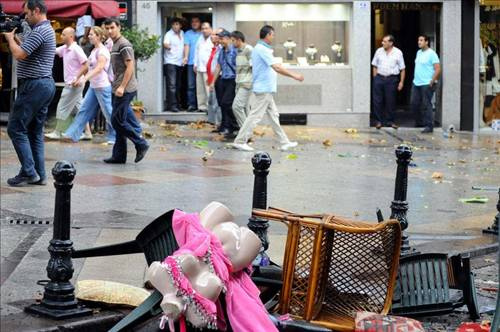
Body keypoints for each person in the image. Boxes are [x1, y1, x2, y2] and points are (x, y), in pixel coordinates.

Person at [3, 0, 56, 186]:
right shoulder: (44, 30)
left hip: (34, 86)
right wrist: (16, 39)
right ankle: (39, 174)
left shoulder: (40, 30)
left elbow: (19, 54)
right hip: (44, 86)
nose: (25, 17)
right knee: (34, 132)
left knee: (15, 128)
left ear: (36, 10)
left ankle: (28, 171)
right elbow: (27, 48)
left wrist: (9, 39)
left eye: (27, 13)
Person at [231, 25, 303, 152]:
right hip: (264, 89)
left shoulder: (261, 49)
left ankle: (284, 142)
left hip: (266, 88)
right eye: (272, 35)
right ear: (268, 35)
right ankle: (240, 141)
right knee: (255, 116)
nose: (273, 37)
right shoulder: (262, 49)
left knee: (274, 115)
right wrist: (295, 76)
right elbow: (277, 68)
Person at [103, 18, 149, 164]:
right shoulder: (115, 44)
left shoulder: (124, 44)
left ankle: (141, 143)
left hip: (126, 89)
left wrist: (122, 86)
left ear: (119, 27)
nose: (110, 31)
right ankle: (119, 156)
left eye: (112, 28)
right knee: (118, 121)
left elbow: (130, 67)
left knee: (117, 121)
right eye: (107, 28)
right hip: (117, 87)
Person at [62, 26, 115, 144]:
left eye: (92, 34)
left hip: (102, 86)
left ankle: (115, 137)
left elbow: (99, 68)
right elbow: (88, 66)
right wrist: (78, 77)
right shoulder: (94, 50)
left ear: (99, 36)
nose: (89, 36)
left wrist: (85, 79)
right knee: (84, 110)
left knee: (108, 112)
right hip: (94, 86)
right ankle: (72, 134)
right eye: (89, 34)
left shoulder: (102, 51)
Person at [45, 27, 87, 140]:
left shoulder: (76, 49)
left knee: (62, 106)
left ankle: (57, 132)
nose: (61, 36)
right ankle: (85, 132)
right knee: (79, 108)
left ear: (71, 37)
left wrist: (76, 78)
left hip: (74, 84)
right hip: (74, 84)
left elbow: (86, 64)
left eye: (63, 34)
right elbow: (52, 51)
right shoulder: (65, 48)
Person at [371, 34, 405, 129]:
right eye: (382, 41)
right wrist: (375, 78)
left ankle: (390, 121)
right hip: (379, 78)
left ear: (391, 43)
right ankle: (378, 121)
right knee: (377, 101)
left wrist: (401, 82)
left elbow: (402, 69)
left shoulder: (398, 53)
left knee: (390, 101)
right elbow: (374, 65)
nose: (382, 43)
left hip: (391, 79)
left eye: (385, 41)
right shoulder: (379, 51)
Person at [210, 29, 238, 139]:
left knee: (227, 102)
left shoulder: (235, 51)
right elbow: (218, 66)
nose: (220, 41)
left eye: (221, 38)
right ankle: (226, 126)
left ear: (228, 38)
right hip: (223, 79)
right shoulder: (222, 51)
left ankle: (235, 125)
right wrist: (212, 82)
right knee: (222, 103)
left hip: (233, 79)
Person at [411, 35, 441, 133]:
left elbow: (437, 68)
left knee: (426, 104)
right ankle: (420, 122)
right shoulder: (418, 52)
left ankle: (429, 125)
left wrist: (432, 80)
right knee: (414, 103)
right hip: (417, 82)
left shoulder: (432, 54)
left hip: (427, 83)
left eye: (421, 40)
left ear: (426, 42)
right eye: (418, 40)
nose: (419, 42)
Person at [231, 30, 253, 128]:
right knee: (244, 109)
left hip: (246, 83)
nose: (232, 43)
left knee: (236, 107)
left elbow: (255, 67)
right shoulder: (238, 51)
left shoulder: (249, 50)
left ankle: (245, 133)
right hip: (239, 83)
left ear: (239, 40)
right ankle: (248, 134)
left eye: (233, 40)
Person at [163, 17, 184, 113]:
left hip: (180, 62)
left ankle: (178, 104)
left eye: (177, 24)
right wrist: (170, 47)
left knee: (178, 85)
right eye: (174, 24)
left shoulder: (182, 33)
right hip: (170, 62)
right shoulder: (169, 34)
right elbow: (165, 44)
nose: (175, 26)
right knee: (172, 85)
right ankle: (172, 106)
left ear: (180, 26)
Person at [193, 22, 213, 113]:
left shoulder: (213, 39)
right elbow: (196, 52)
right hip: (199, 67)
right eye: (203, 28)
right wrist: (195, 64)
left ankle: (210, 108)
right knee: (200, 89)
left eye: (206, 28)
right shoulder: (200, 39)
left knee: (208, 89)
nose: (204, 30)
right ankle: (201, 106)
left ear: (210, 29)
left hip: (208, 69)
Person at [183, 16, 201, 112]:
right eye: (193, 21)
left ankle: (202, 106)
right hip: (191, 63)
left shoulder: (203, 33)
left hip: (202, 64)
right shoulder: (187, 33)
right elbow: (187, 45)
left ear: (200, 23)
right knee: (191, 86)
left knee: (202, 85)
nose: (194, 23)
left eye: (196, 21)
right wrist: (185, 57)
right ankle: (192, 105)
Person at [206, 29, 222, 127]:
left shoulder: (221, 48)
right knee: (211, 102)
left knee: (217, 103)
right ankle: (215, 123)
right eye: (212, 34)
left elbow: (218, 66)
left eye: (216, 34)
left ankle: (219, 124)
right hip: (211, 78)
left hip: (217, 79)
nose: (213, 36)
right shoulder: (215, 48)